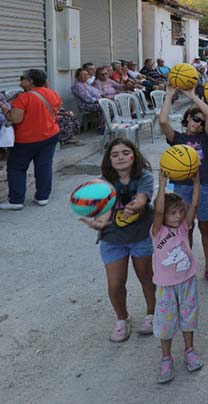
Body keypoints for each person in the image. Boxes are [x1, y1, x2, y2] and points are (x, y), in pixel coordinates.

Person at [78, 138, 156, 341]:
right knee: (115, 283)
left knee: (146, 277)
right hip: (112, 238)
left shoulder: (144, 177)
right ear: (109, 160)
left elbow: (142, 199)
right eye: (115, 154)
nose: (120, 157)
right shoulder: (103, 182)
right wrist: (99, 221)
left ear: (134, 155)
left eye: (125, 152)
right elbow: (102, 211)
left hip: (140, 235)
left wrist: (136, 206)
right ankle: (122, 319)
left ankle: (152, 314)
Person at [159, 86, 208, 283]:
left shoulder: (204, 137)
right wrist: (169, 94)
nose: (199, 123)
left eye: (201, 122)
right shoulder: (177, 139)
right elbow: (163, 121)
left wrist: (191, 94)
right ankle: (187, 262)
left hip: (204, 186)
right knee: (186, 228)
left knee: (206, 227)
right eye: (195, 119)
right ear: (186, 120)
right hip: (182, 188)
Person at [150, 171, 203, 384]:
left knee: (188, 317)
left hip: (187, 280)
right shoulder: (157, 231)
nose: (179, 216)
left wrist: (197, 183)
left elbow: (194, 205)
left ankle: (189, 351)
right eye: (173, 213)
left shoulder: (183, 226)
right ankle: (166, 358)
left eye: (180, 211)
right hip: (166, 286)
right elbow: (159, 209)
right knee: (166, 323)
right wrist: (162, 185)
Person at [0, 69, 63, 210]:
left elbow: (15, 118)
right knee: (44, 166)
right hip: (51, 135)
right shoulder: (51, 92)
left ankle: (16, 201)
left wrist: (4, 107)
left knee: (16, 168)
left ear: (31, 81)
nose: (20, 81)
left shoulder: (24, 98)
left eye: (23, 78)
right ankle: (42, 197)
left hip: (27, 140)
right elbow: (57, 105)